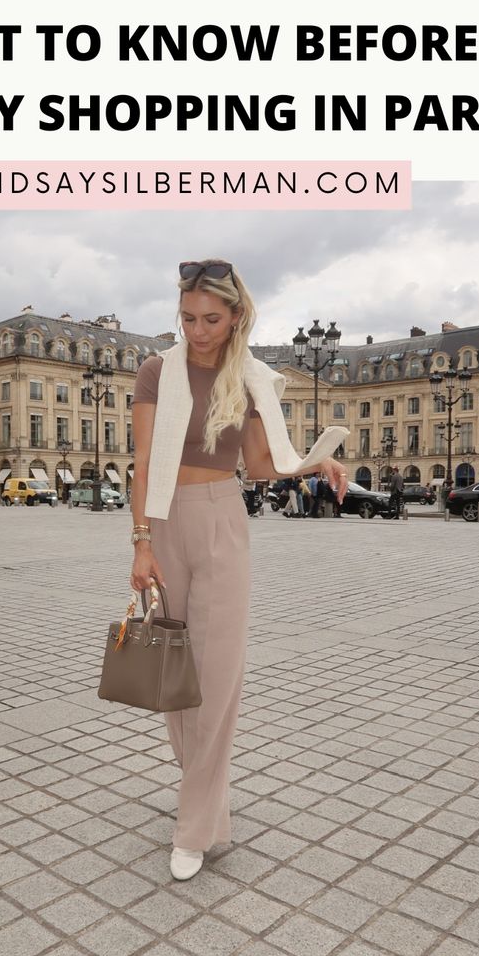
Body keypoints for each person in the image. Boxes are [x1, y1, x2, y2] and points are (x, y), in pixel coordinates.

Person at [130, 258, 349, 881]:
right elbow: (144, 460)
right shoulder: (157, 371)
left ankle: (194, 824)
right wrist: (140, 543)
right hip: (164, 519)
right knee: (175, 677)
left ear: (235, 317)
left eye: (212, 319)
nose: (198, 330)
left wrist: (314, 464)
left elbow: (259, 466)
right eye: (189, 317)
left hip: (224, 517)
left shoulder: (252, 378)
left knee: (219, 678)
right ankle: (204, 793)